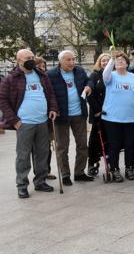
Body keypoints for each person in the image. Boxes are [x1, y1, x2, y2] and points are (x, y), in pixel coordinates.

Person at [0, 49, 58, 198]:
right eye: (28, 58)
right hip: (24, 123)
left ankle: (40, 181)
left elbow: (50, 94)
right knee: (23, 156)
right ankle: (22, 185)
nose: (31, 59)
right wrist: (14, 121)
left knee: (42, 154)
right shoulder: (11, 78)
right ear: (19, 60)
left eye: (32, 57)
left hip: (42, 121)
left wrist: (53, 108)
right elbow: (3, 101)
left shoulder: (42, 75)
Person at [47, 50, 93, 185]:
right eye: (68, 60)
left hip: (79, 114)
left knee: (83, 145)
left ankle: (79, 172)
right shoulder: (51, 74)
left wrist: (89, 86)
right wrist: (53, 109)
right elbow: (49, 94)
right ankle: (65, 175)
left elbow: (89, 80)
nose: (72, 62)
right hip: (61, 116)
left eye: (73, 59)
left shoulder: (79, 71)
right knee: (62, 147)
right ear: (61, 61)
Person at [101, 51, 134, 182]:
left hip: (131, 117)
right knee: (114, 144)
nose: (120, 61)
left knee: (130, 144)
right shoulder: (111, 76)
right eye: (117, 60)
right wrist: (112, 58)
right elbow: (105, 73)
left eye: (123, 60)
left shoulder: (133, 77)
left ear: (127, 63)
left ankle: (129, 168)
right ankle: (114, 169)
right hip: (112, 118)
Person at [86, 53, 111, 177]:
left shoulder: (115, 74)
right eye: (103, 61)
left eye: (108, 60)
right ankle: (92, 163)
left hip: (112, 112)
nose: (105, 63)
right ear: (99, 63)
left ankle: (111, 160)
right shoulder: (94, 75)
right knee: (95, 139)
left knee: (110, 138)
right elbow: (89, 94)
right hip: (98, 112)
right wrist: (97, 111)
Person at [34, 57, 56, 180]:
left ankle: (46, 171)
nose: (42, 69)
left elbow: (51, 95)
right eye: (39, 67)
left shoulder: (46, 78)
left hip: (46, 117)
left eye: (43, 66)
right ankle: (38, 173)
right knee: (35, 150)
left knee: (46, 146)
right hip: (32, 119)